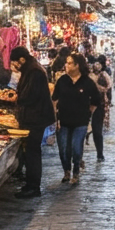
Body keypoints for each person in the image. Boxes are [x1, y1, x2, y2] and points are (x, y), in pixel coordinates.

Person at [10, 47, 54, 199]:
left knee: (32, 152)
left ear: (22, 59)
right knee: (30, 152)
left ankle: (33, 187)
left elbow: (29, 95)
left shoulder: (34, 71)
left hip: (36, 118)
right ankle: (30, 183)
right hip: (33, 117)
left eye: (15, 62)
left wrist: (16, 99)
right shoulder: (31, 69)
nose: (14, 66)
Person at [51, 52, 101, 185]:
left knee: (76, 148)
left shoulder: (87, 82)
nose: (66, 65)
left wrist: (88, 112)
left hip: (81, 121)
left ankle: (76, 171)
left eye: (69, 63)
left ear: (77, 65)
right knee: (63, 149)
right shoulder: (62, 80)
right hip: (64, 120)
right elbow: (55, 98)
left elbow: (96, 99)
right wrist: (55, 118)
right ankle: (66, 171)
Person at [90, 62, 112, 162]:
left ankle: (100, 153)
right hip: (87, 105)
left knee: (97, 130)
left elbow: (109, 86)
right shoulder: (88, 76)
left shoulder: (104, 75)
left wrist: (98, 87)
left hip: (99, 104)